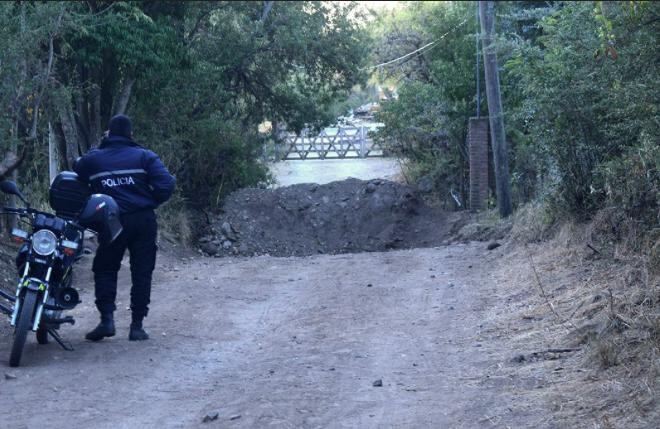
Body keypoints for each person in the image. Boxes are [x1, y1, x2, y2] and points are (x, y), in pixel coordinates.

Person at [74, 114, 175, 341]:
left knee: (106, 268)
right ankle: (137, 326)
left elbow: (77, 167)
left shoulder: (96, 159)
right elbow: (167, 184)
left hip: (111, 220)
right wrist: (151, 201)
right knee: (142, 271)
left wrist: (100, 147)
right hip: (143, 220)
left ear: (109, 133)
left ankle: (106, 321)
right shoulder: (144, 156)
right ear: (131, 134)